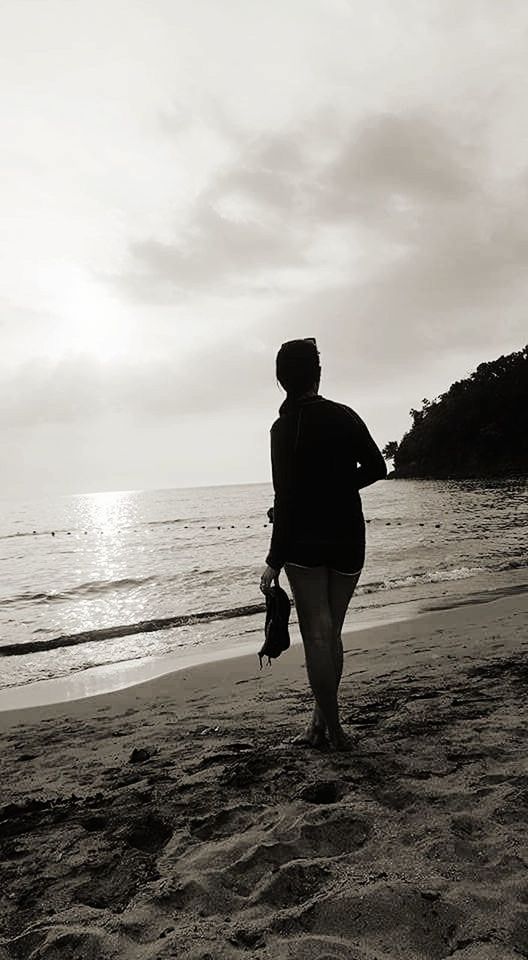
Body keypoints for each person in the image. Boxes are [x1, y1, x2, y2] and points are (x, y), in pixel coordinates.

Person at [260, 338, 387, 751]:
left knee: (317, 635)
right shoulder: (344, 415)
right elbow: (376, 467)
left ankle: (334, 732)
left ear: (282, 380)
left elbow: (287, 499)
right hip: (349, 535)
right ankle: (320, 724)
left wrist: (272, 561)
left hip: (304, 543)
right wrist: (334, 489)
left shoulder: (283, 428)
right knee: (331, 634)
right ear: (317, 374)